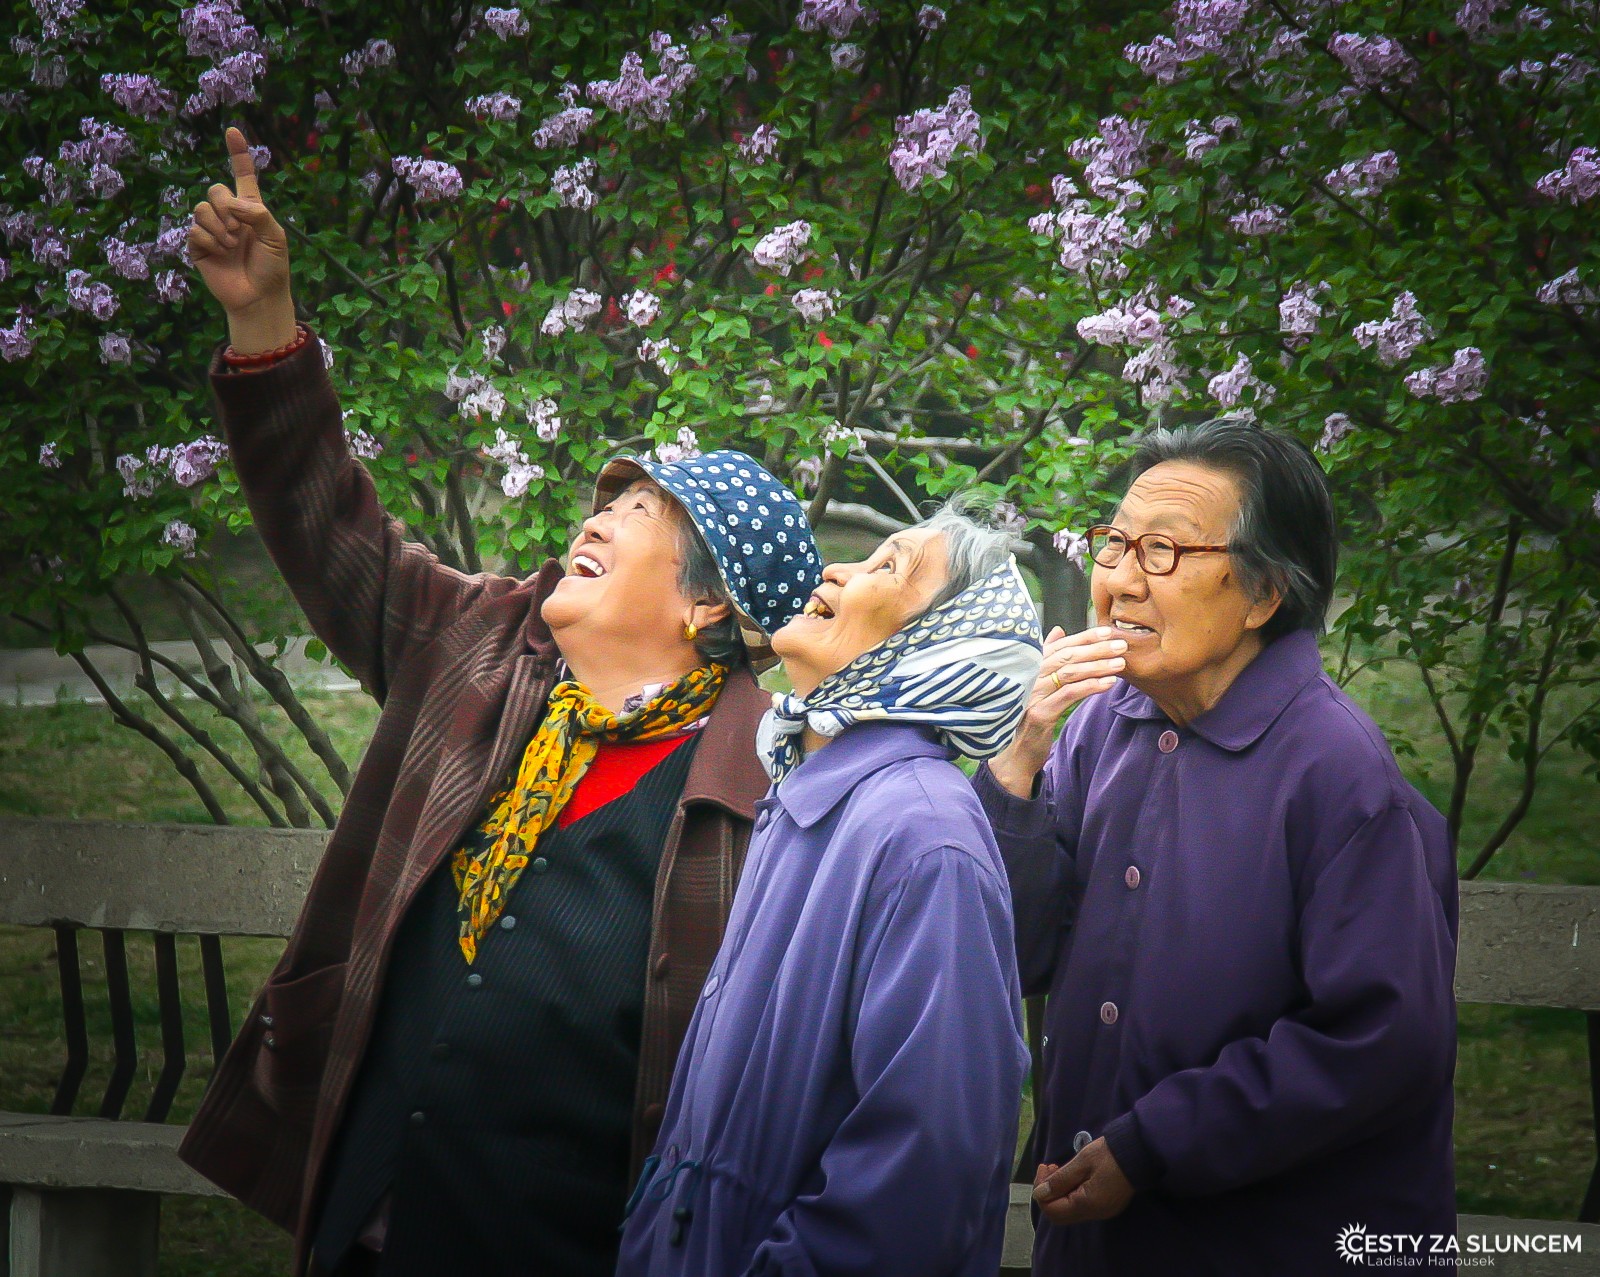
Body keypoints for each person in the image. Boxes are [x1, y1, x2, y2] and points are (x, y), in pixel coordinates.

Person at [176, 128, 824, 1277]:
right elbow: (328, 520)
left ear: (707, 613)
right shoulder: (479, 647)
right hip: (362, 1217)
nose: (600, 517)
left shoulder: (762, 803)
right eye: (607, 499)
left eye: (643, 518)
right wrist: (262, 323)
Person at [976, 417, 1457, 1276]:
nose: (1119, 580)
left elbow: (1384, 1042)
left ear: (1264, 593)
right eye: (1114, 542)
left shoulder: (1342, 775)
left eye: (1162, 552)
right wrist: (1017, 759)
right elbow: (1016, 949)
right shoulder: (1101, 728)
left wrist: (1153, 1143)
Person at [617, 506, 1041, 1277]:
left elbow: (922, 1178)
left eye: (890, 567)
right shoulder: (807, 801)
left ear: (935, 646)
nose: (838, 570)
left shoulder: (924, 837)